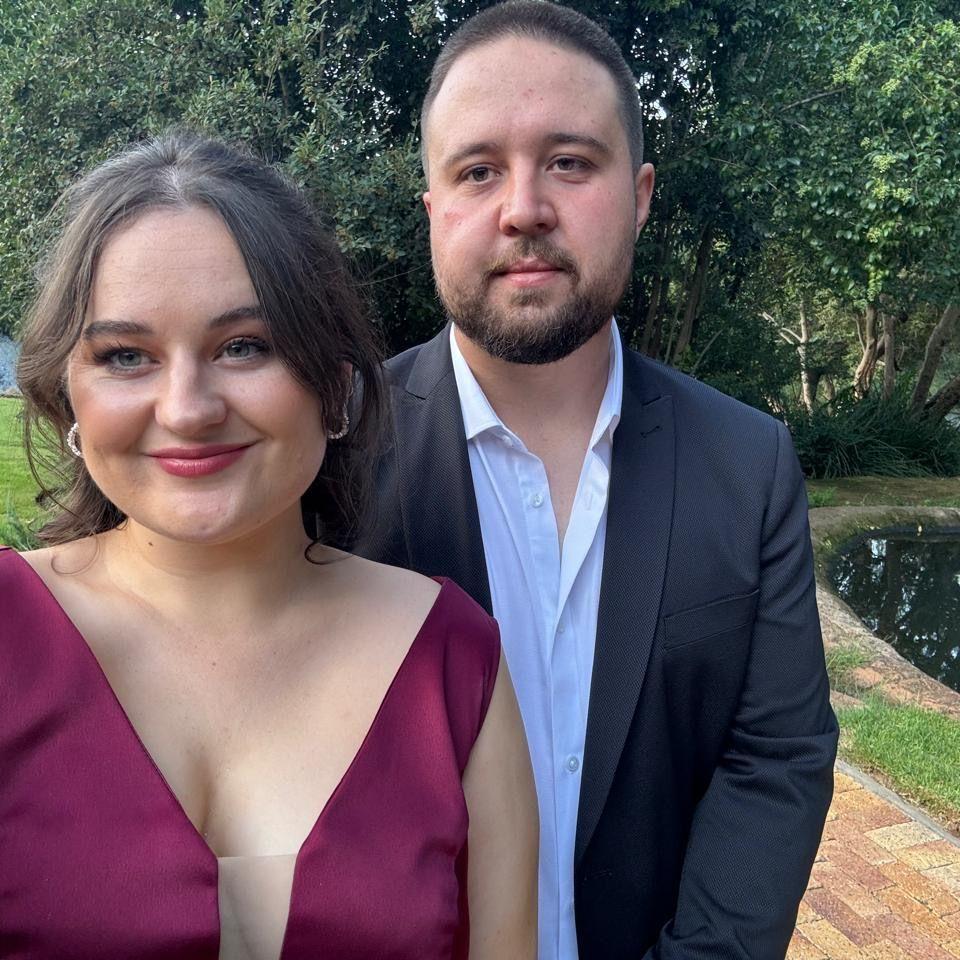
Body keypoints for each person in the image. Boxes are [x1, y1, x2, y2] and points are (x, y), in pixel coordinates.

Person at [354, 3, 839, 959]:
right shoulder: (329, 457)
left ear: (641, 194)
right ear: (432, 208)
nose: (524, 207)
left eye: (570, 162)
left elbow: (777, 760)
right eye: (478, 170)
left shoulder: (747, 465)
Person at [1, 131, 537, 960]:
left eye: (243, 346)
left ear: (334, 381)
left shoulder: (453, 659)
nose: (187, 409)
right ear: (68, 394)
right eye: (126, 356)